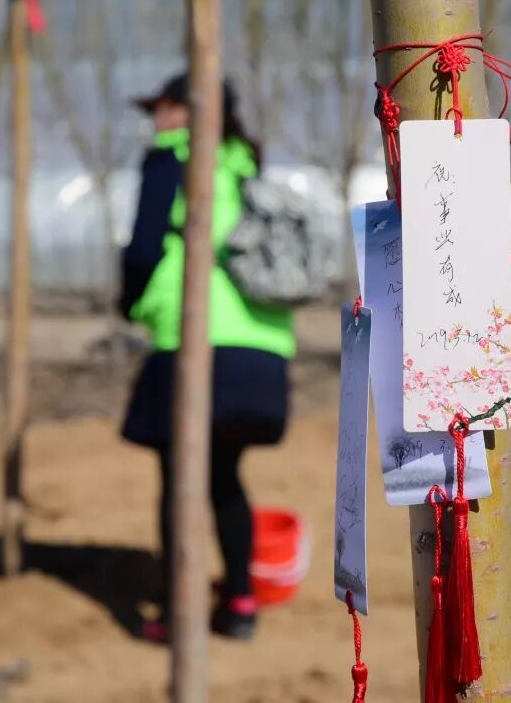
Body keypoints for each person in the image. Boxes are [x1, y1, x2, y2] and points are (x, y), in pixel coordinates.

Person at [119, 74, 294, 642]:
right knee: (223, 474)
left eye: (162, 108)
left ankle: (179, 611)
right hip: (262, 349)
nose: (156, 120)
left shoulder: (172, 159)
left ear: (185, 109)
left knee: (179, 478)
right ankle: (240, 600)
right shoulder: (245, 167)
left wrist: (130, 302)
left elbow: (143, 248)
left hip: (192, 343)